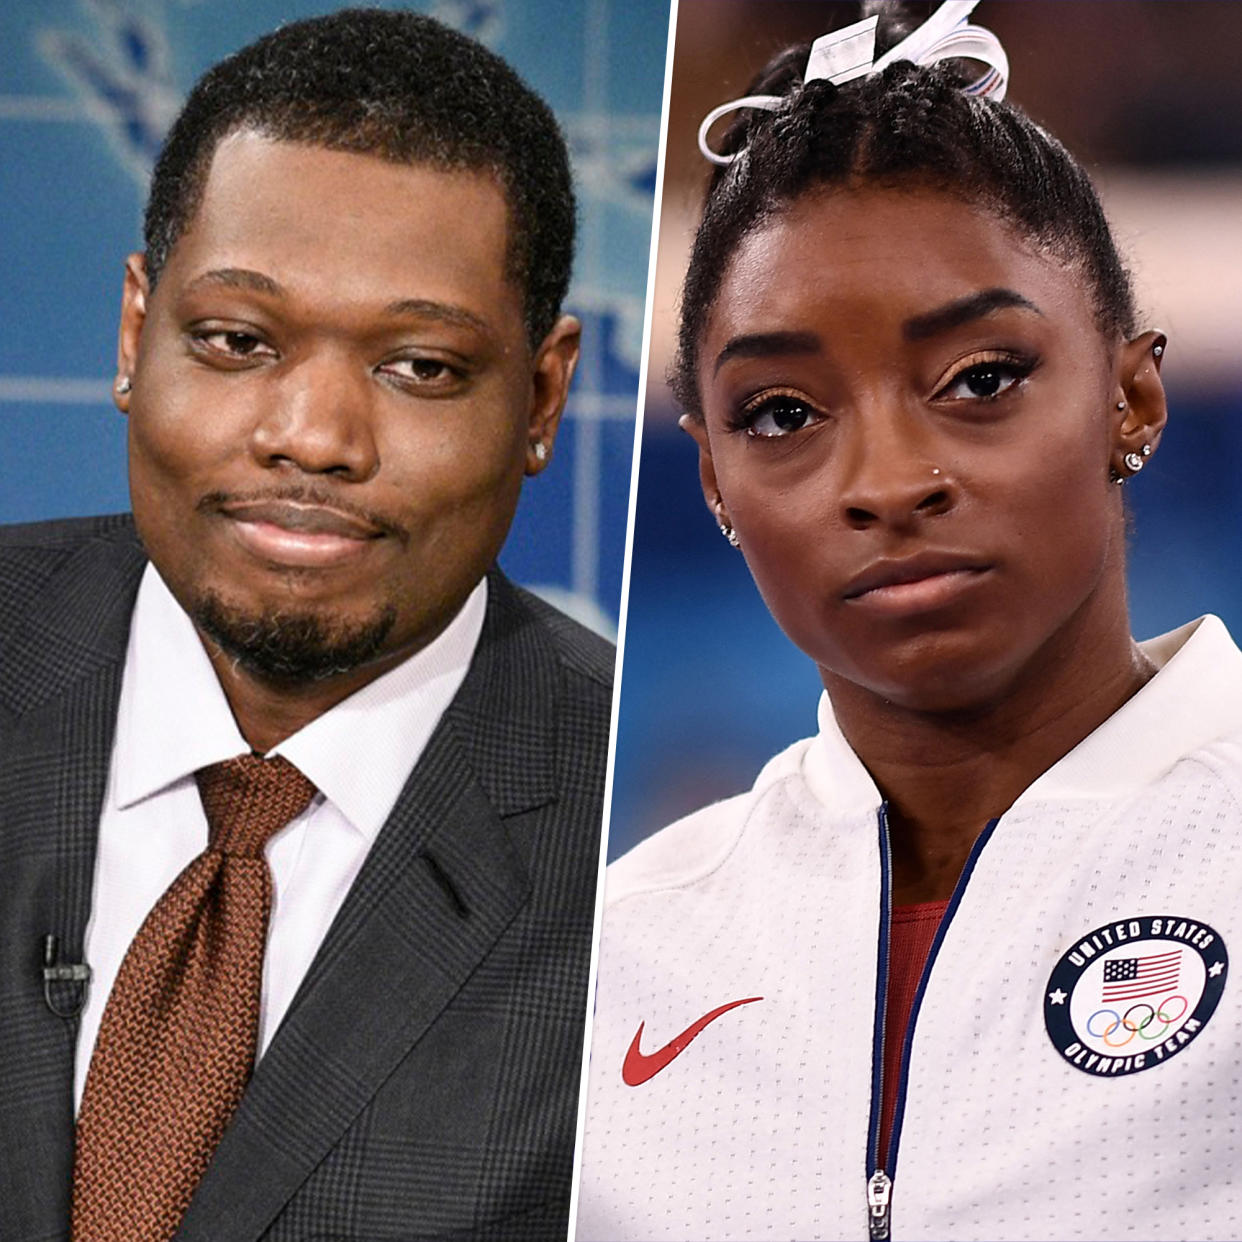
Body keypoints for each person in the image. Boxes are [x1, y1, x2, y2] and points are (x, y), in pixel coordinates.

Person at [577, 3, 1242, 1239]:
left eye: (980, 381)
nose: (886, 480)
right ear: (714, 481)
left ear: (1132, 397)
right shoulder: (617, 958)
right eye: (781, 413)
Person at [0, 10, 615, 1241]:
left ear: (542, 396)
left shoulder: (638, 840)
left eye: (422, 367)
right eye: (236, 341)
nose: (314, 438)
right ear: (135, 334)